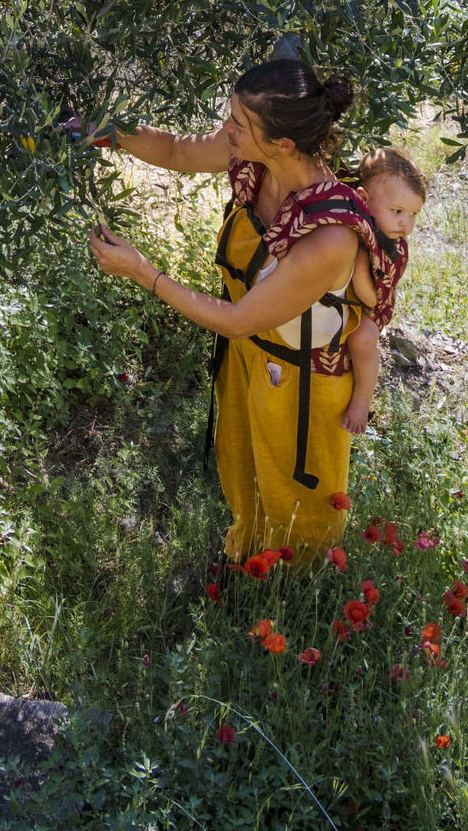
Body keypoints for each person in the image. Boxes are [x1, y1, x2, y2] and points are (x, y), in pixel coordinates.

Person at [82, 54, 382, 566]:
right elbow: (176, 150)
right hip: (249, 357)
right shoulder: (255, 152)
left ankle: (301, 605)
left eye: (238, 124)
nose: (226, 130)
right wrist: (104, 132)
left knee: (298, 503)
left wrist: (140, 271)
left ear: (284, 142)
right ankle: (248, 573)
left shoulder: (328, 237)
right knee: (245, 473)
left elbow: (236, 318)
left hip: (301, 383)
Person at [339, 147, 427, 436]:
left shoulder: (391, 247)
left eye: (414, 214)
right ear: (363, 198)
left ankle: (362, 401)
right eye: (398, 211)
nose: (407, 224)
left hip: (374, 303)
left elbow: (370, 299)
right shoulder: (363, 225)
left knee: (363, 338)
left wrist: (357, 262)